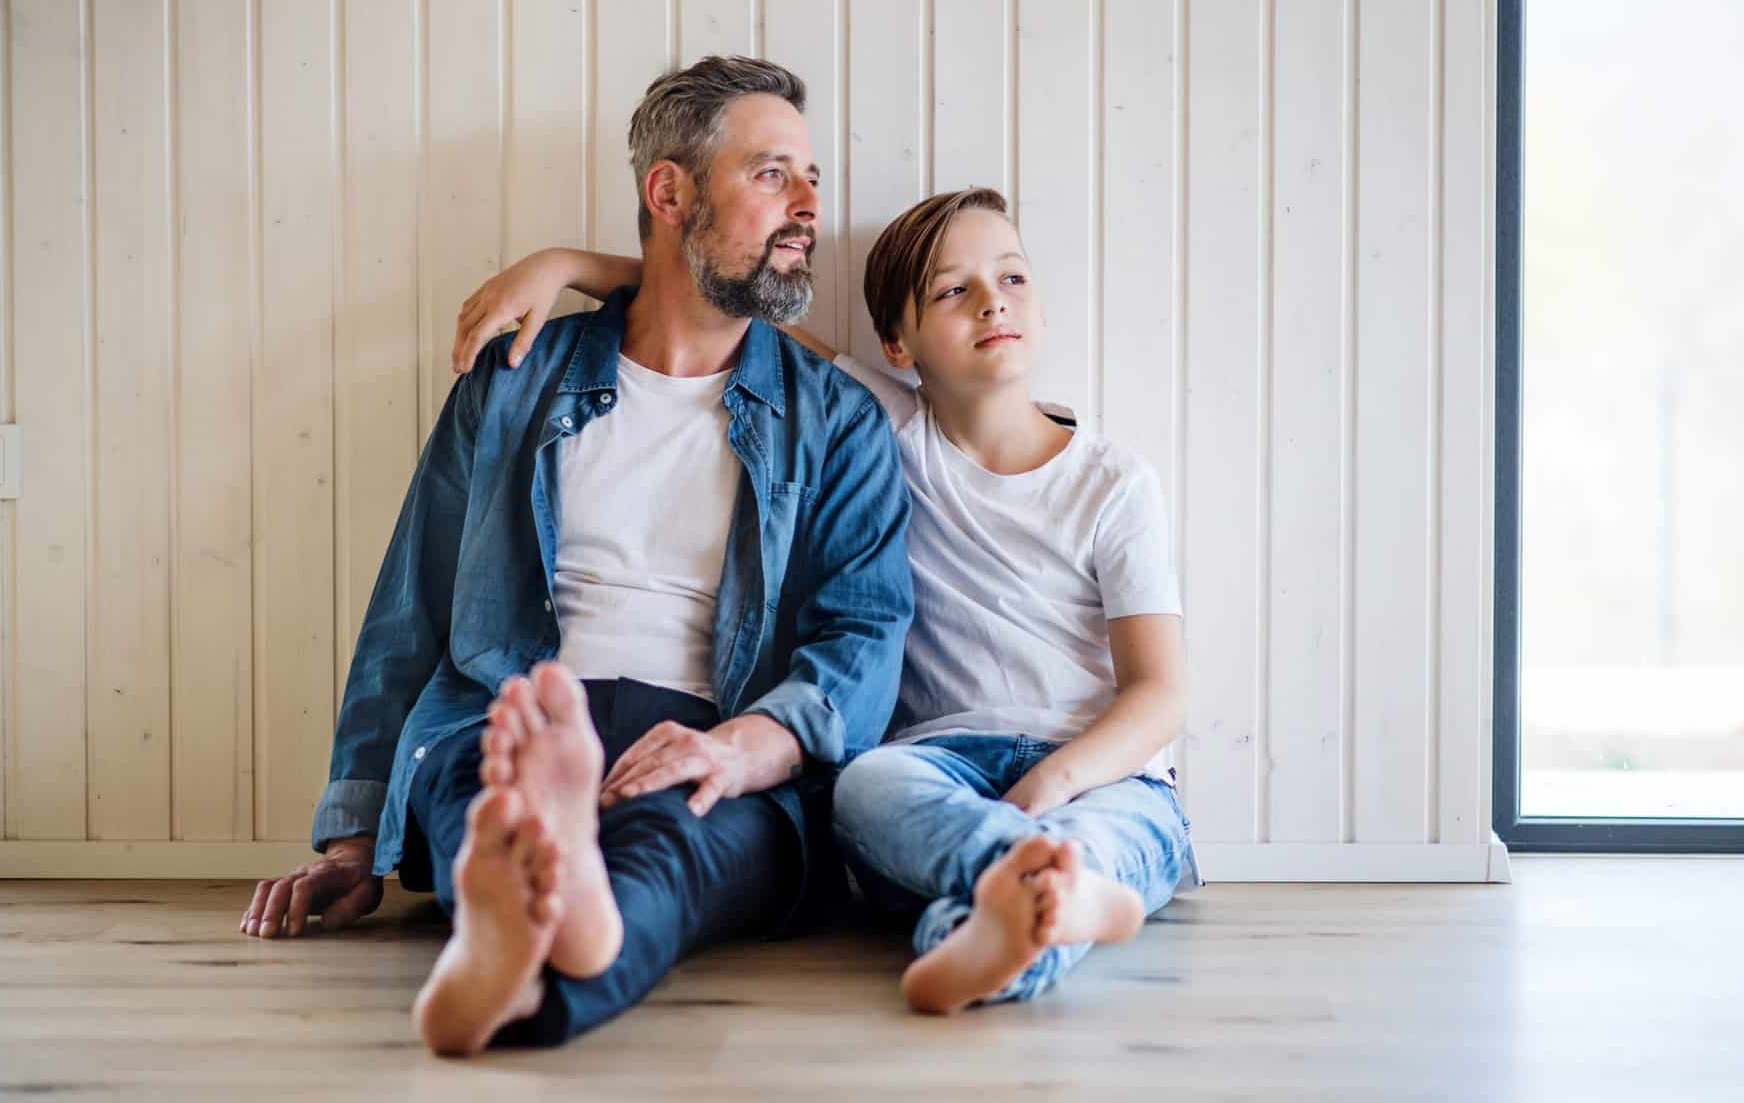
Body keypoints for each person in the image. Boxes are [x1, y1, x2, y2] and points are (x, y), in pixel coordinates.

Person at [236, 55, 914, 1056]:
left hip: (717, 733)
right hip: (518, 710)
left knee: (673, 852)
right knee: (494, 811)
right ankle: (550, 916)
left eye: (812, 177)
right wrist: (354, 837)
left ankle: (520, 950)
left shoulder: (838, 422)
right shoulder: (515, 380)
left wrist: (736, 750)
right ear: (669, 192)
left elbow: (863, 634)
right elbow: (412, 607)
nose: (810, 203)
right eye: (774, 173)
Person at [454, 186, 1200, 1016]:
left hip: (1104, 778)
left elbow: (1160, 693)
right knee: (861, 788)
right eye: (954, 291)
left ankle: (1016, 912)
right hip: (937, 768)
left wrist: (1050, 785)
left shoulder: (1113, 482)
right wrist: (567, 266)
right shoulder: (879, 425)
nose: (993, 301)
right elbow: (722, 303)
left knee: (1079, 845)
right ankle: (1051, 905)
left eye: (1014, 278)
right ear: (898, 343)